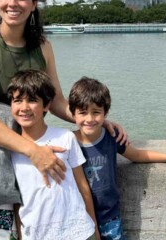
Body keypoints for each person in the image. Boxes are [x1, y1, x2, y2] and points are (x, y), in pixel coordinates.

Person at [0, 0, 127, 240]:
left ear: (34, 4)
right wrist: (33, 151)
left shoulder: (42, 46)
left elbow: (57, 100)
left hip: (34, 160)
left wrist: (91, 120)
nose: (13, 3)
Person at [69, 77, 166, 240]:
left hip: (110, 217)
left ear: (106, 113)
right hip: (79, 219)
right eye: (82, 112)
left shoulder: (111, 137)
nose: (89, 119)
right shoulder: (68, 142)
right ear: (73, 113)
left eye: (96, 112)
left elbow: (136, 155)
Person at [8, 70, 100, 240]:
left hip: (80, 232)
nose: (24, 108)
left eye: (33, 100)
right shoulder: (11, 150)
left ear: (47, 105)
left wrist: (95, 230)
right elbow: (16, 200)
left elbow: (83, 188)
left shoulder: (65, 138)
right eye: (17, 100)